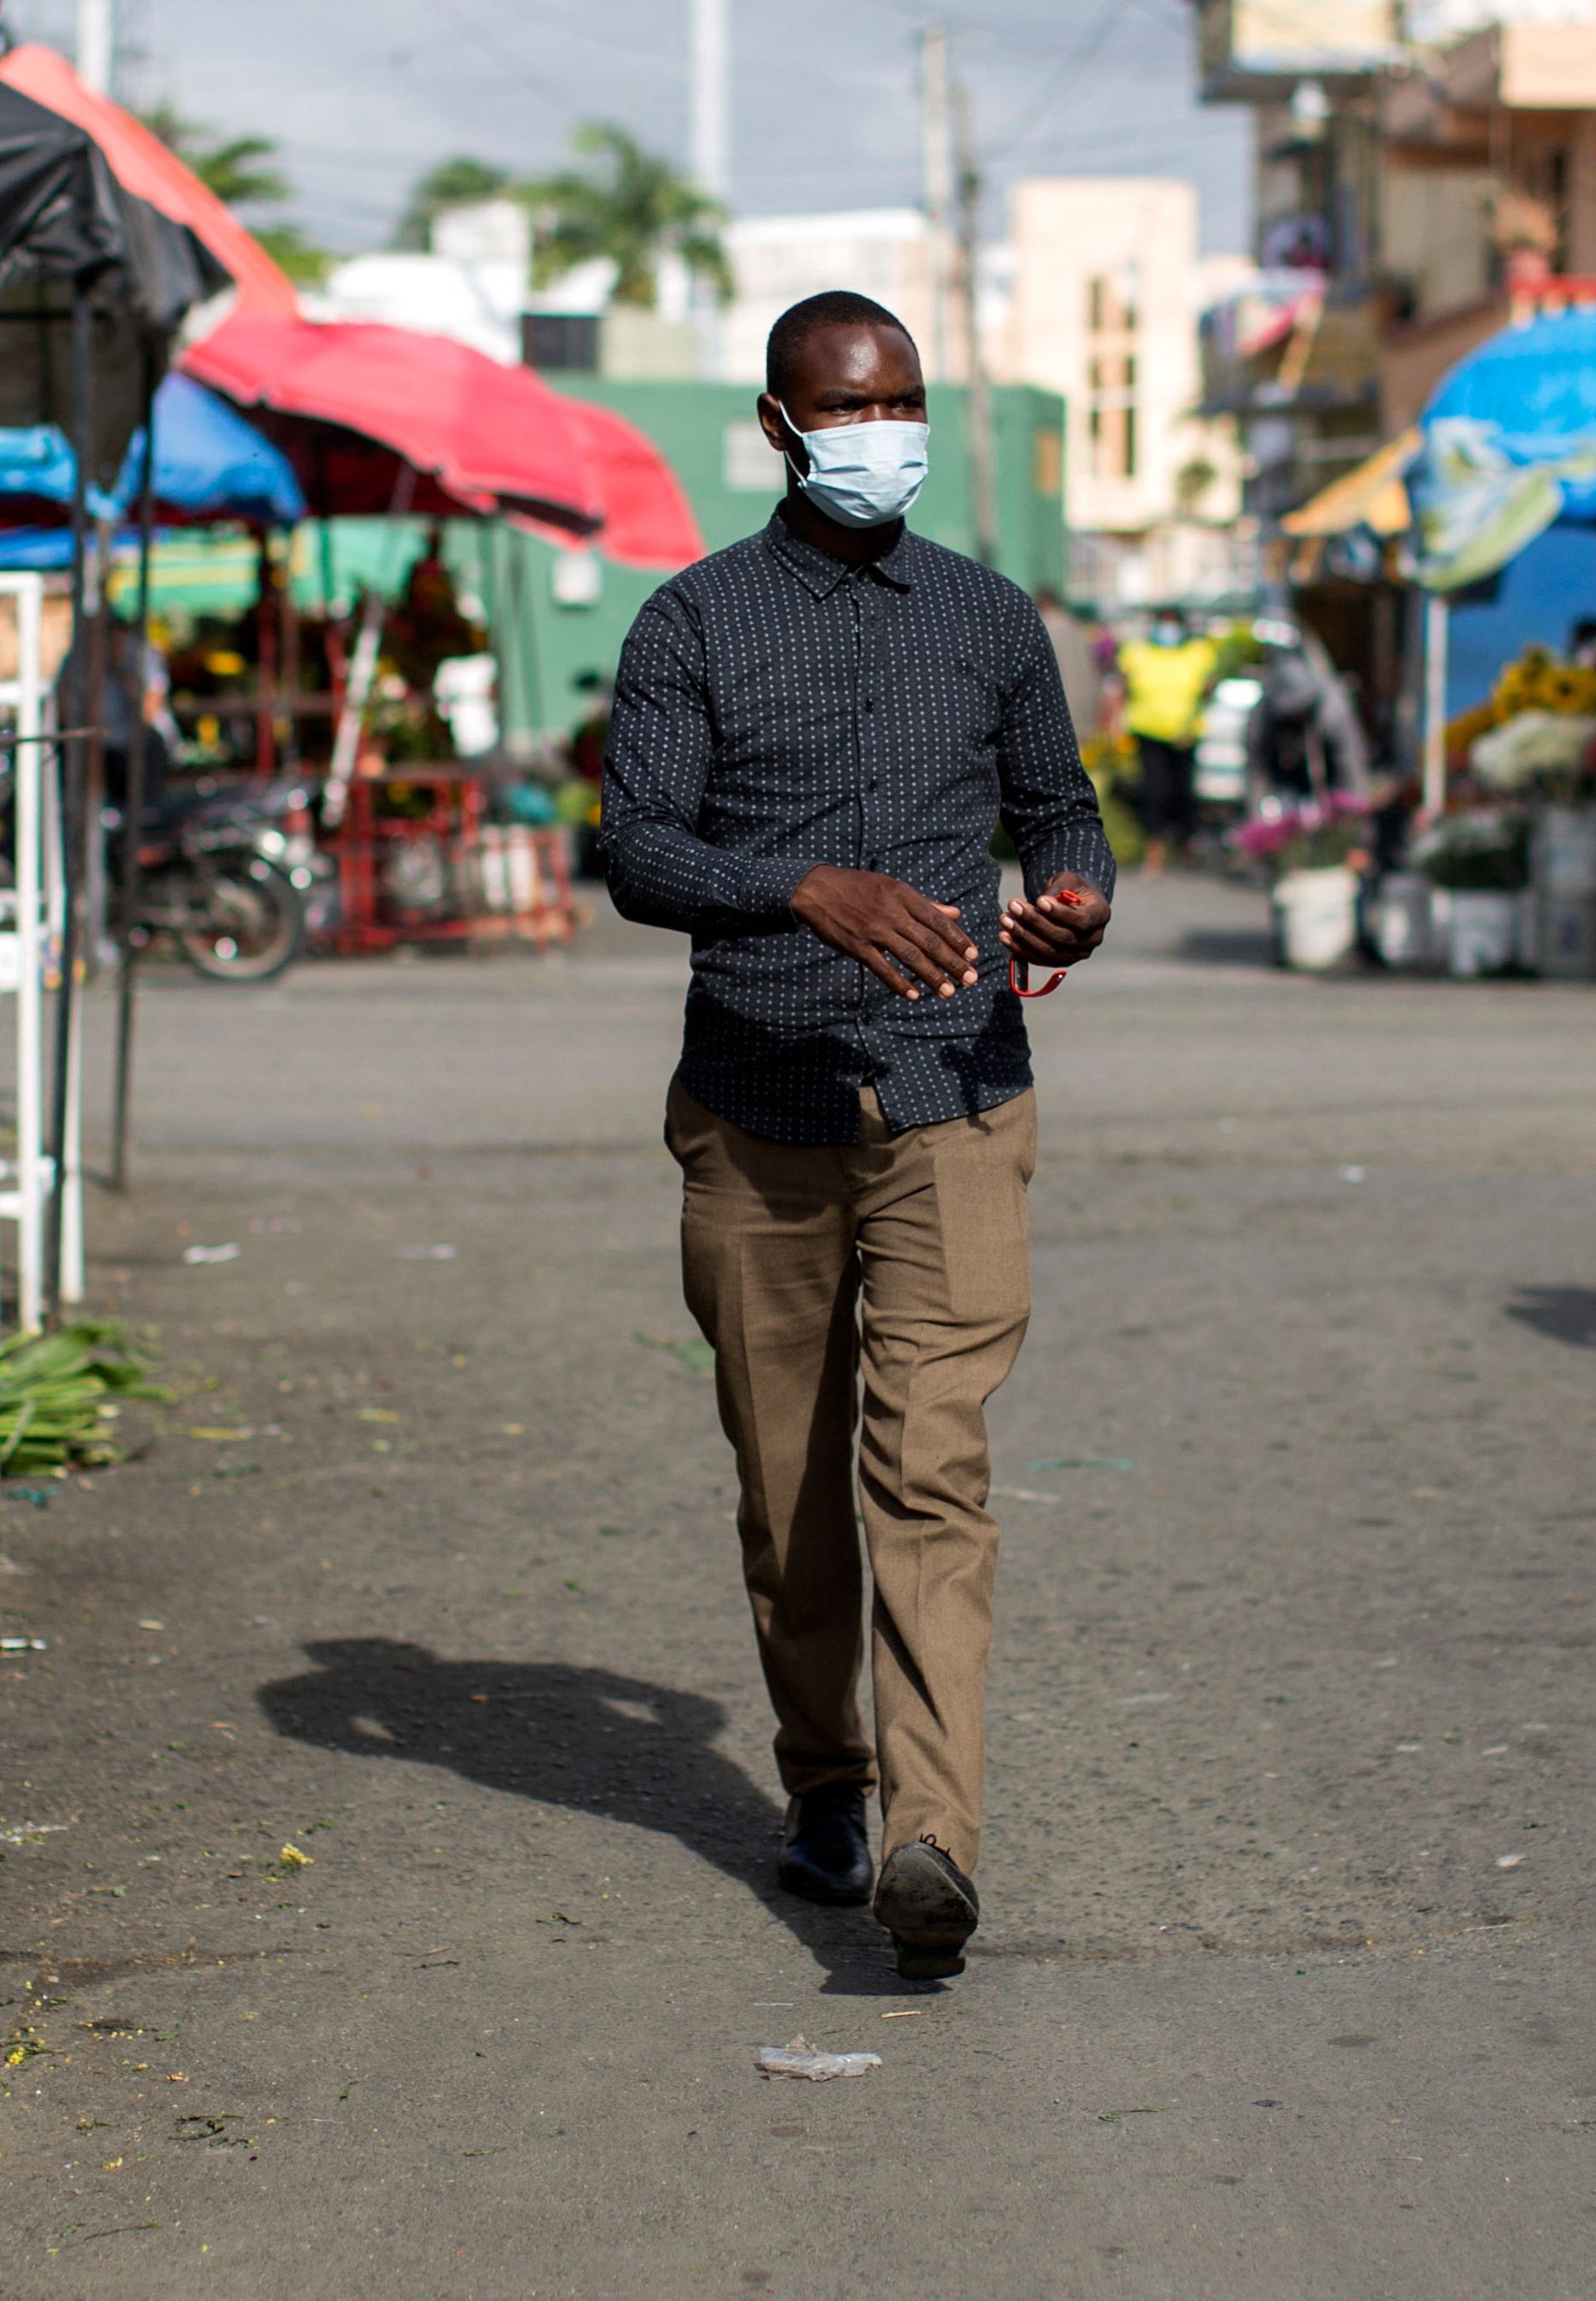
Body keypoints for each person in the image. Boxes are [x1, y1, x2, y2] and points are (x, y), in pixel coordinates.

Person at [599, 288, 1113, 1982]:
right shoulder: (691, 622)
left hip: (954, 1096)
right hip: (758, 1112)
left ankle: (929, 1837)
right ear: (777, 426)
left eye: (902, 400)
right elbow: (636, 849)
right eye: (848, 407)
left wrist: (1074, 895)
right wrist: (799, 888)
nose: (883, 431)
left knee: (930, 1467)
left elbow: (1060, 809)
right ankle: (824, 1776)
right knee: (788, 1486)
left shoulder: (985, 617)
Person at [1118, 608, 1218, 870]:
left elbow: (1208, 687)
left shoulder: (1198, 652)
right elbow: (1124, 686)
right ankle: (1155, 850)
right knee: (1154, 792)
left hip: (1185, 733)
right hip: (1148, 730)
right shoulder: (1138, 652)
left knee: (1183, 792)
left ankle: (1185, 846)